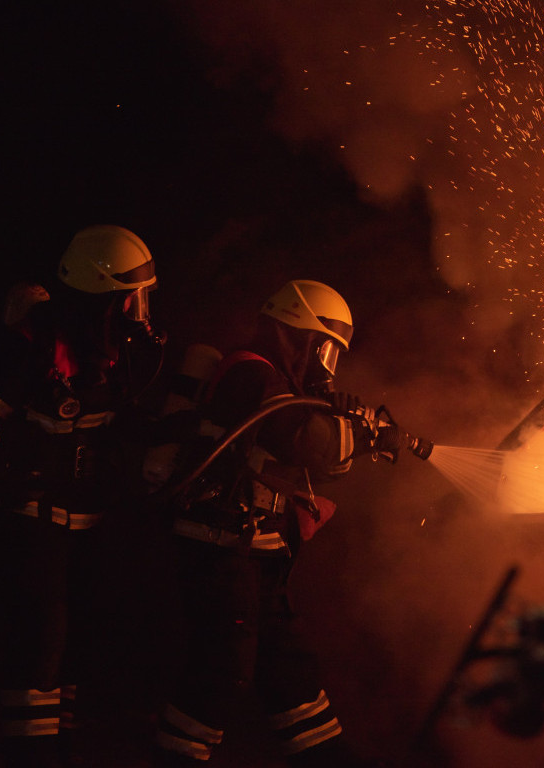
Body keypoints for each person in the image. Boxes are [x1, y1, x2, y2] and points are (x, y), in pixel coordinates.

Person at [152, 279, 404, 768]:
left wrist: (356, 426)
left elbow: (317, 452)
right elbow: (309, 443)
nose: (327, 366)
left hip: (258, 550)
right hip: (220, 549)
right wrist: (369, 435)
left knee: (289, 670)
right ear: (301, 338)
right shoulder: (250, 374)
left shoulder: (280, 383)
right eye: (326, 351)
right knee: (222, 671)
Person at [0, 224, 166, 768]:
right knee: (40, 650)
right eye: (131, 301)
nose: (140, 314)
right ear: (102, 300)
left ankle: (58, 750)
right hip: (37, 522)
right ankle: (30, 756)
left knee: (79, 648)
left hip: (91, 528)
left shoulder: (116, 354)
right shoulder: (33, 348)